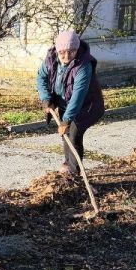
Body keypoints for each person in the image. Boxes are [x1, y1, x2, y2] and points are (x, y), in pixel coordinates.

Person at [36, 29, 106, 177]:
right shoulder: (50, 60)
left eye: (71, 52)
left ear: (77, 49)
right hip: (65, 104)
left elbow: (78, 96)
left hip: (87, 106)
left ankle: (74, 173)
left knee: (73, 134)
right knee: (65, 134)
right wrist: (46, 99)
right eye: (63, 52)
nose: (67, 56)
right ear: (57, 50)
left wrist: (66, 120)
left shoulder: (83, 66)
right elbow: (41, 77)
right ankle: (68, 162)